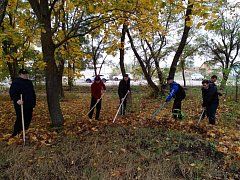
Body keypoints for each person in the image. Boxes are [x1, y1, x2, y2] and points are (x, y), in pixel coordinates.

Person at [9, 69, 36, 137]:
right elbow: (12, 92)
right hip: (20, 104)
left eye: (26, 74)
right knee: (20, 118)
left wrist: (33, 102)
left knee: (28, 117)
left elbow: (32, 93)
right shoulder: (16, 82)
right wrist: (17, 100)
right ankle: (16, 132)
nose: (26, 75)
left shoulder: (29, 82)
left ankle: (24, 130)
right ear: (20, 74)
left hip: (29, 104)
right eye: (24, 74)